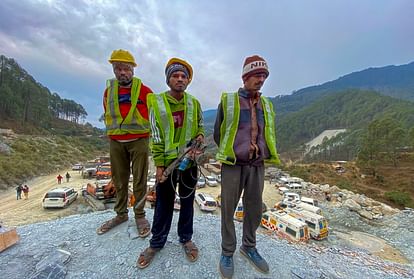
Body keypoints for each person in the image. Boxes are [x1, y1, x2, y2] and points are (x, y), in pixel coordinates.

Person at [213, 55, 280, 278]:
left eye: (264, 76)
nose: (260, 79)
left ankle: (249, 247)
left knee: (254, 208)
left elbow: (267, 133)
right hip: (233, 164)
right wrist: (234, 150)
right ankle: (227, 252)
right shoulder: (229, 101)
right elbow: (218, 133)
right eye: (256, 75)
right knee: (228, 209)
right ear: (245, 77)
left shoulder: (266, 104)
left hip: (257, 164)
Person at [137, 58, 204, 269]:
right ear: (168, 79)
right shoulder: (157, 103)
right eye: (175, 75)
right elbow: (155, 137)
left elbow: (200, 126)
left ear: (188, 81)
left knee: (187, 201)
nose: (180, 79)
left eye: (184, 76)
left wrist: (200, 137)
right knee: (164, 204)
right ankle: (156, 243)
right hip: (167, 165)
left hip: (189, 162)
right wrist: (158, 166)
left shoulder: (194, 103)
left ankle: (186, 238)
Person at [96, 49, 153, 237]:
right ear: (113, 70)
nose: (122, 72)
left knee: (139, 180)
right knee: (119, 180)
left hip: (139, 141)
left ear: (133, 70)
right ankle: (120, 214)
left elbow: (154, 116)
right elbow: (109, 114)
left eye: (126, 69)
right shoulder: (108, 92)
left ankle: (140, 215)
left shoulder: (145, 92)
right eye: (118, 68)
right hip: (116, 142)